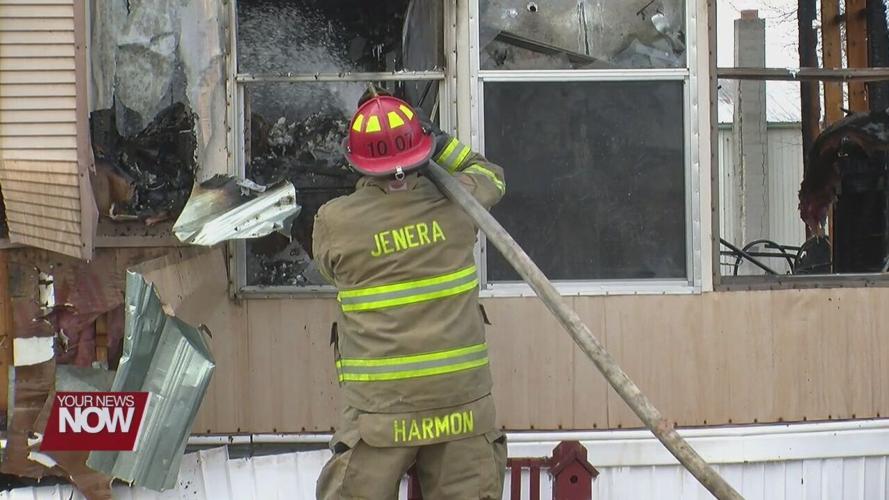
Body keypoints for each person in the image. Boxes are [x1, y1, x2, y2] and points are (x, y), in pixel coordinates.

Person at [313, 88, 507, 499]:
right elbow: (491, 174)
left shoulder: (335, 221)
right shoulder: (460, 201)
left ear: (357, 161)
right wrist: (441, 140)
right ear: (422, 150)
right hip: (461, 408)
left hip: (381, 413)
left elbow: (329, 269)